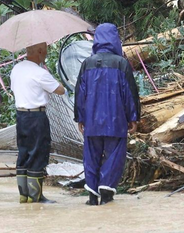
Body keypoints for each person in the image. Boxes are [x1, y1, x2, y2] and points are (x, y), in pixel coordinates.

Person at [74, 23, 140, 206]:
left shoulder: (87, 64)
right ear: (115, 39)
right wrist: (133, 117)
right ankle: (106, 188)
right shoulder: (121, 63)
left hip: (92, 121)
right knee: (115, 155)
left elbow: (80, 93)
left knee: (91, 157)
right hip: (116, 120)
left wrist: (80, 117)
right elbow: (130, 93)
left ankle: (92, 196)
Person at [10, 41, 65, 204]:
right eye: (45, 51)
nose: (46, 54)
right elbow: (60, 90)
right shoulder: (39, 72)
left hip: (21, 116)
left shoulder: (16, 68)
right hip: (36, 117)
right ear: (40, 52)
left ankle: (24, 195)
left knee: (24, 151)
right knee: (38, 152)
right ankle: (36, 196)